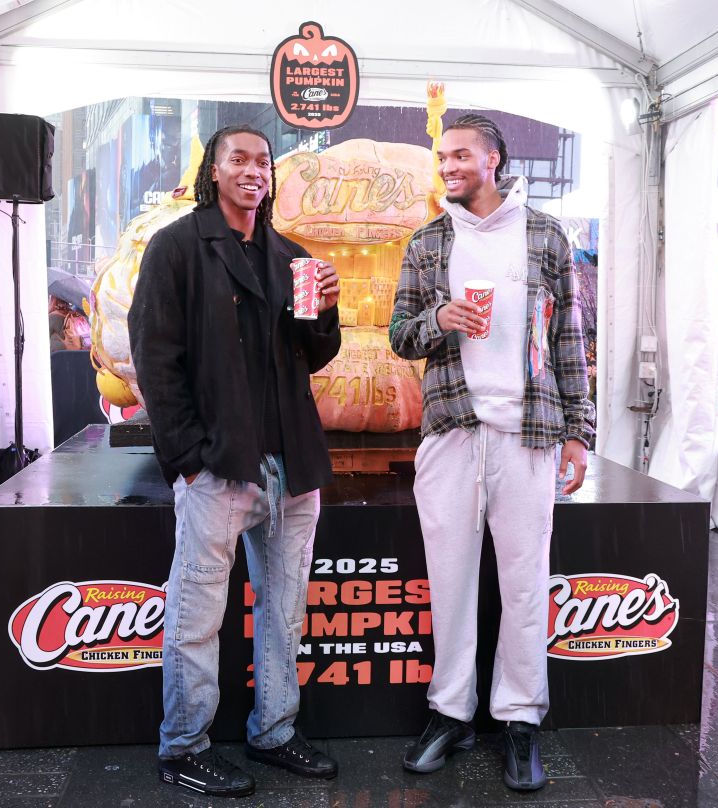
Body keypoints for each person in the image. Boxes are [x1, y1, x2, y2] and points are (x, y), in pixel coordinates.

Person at [128, 124, 342, 798]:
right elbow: (154, 358)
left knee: (284, 612)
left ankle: (274, 731)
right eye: (240, 159)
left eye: (264, 161)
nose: (255, 170)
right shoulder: (177, 247)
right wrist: (186, 458)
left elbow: (313, 354)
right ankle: (183, 746)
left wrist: (326, 314)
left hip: (292, 466)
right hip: (219, 467)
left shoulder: (289, 255)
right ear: (213, 171)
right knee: (197, 617)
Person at [389, 113, 591, 792]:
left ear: (495, 159)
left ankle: (520, 720)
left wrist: (578, 431)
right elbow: (400, 336)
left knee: (526, 583)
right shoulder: (427, 242)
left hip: (529, 433)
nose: (448, 167)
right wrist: (439, 320)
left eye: (461, 155)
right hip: (451, 433)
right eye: (442, 157)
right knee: (448, 579)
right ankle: (450, 712)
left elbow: (571, 342)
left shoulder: (545, 235)